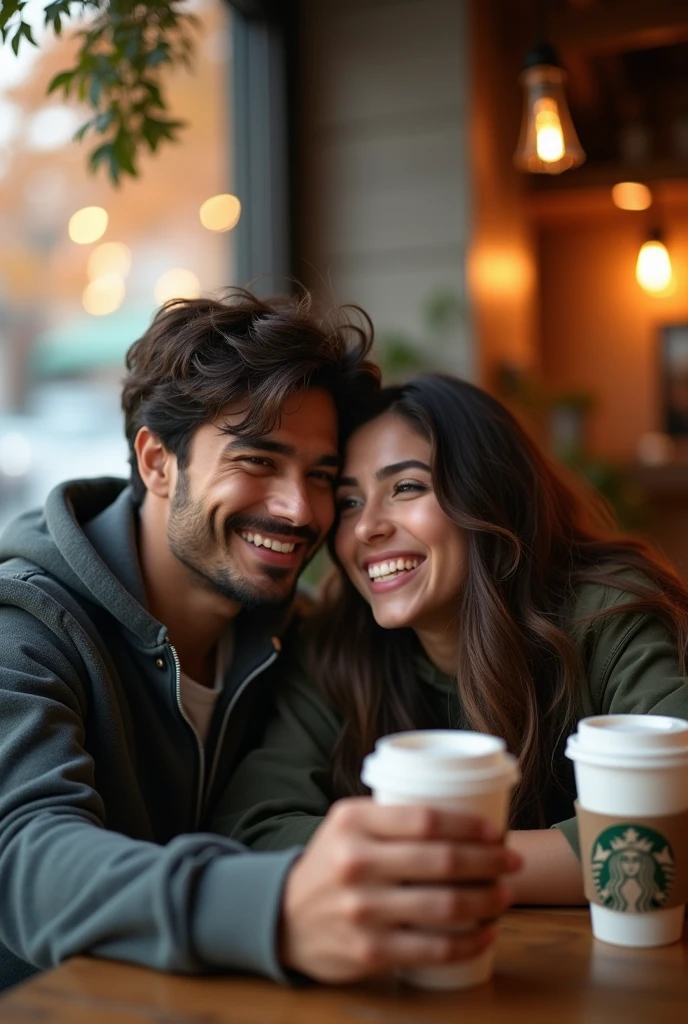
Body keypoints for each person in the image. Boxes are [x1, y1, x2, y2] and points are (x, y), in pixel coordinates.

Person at [0, 296, 519, 992]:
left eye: (321, 476)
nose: (300, 509)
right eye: (258, 461)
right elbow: (23, 857)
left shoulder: (294, 633)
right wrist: (273, 909)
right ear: (157, 462)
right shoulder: (25, 625)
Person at [214, 373, 688, 905]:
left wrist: (426, 867)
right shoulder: (337, 643)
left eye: (407, 487)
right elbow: (254, 827)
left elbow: (672, 827)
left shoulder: (609, 616)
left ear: (489, 495)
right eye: (348, 503)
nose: (367, 527)